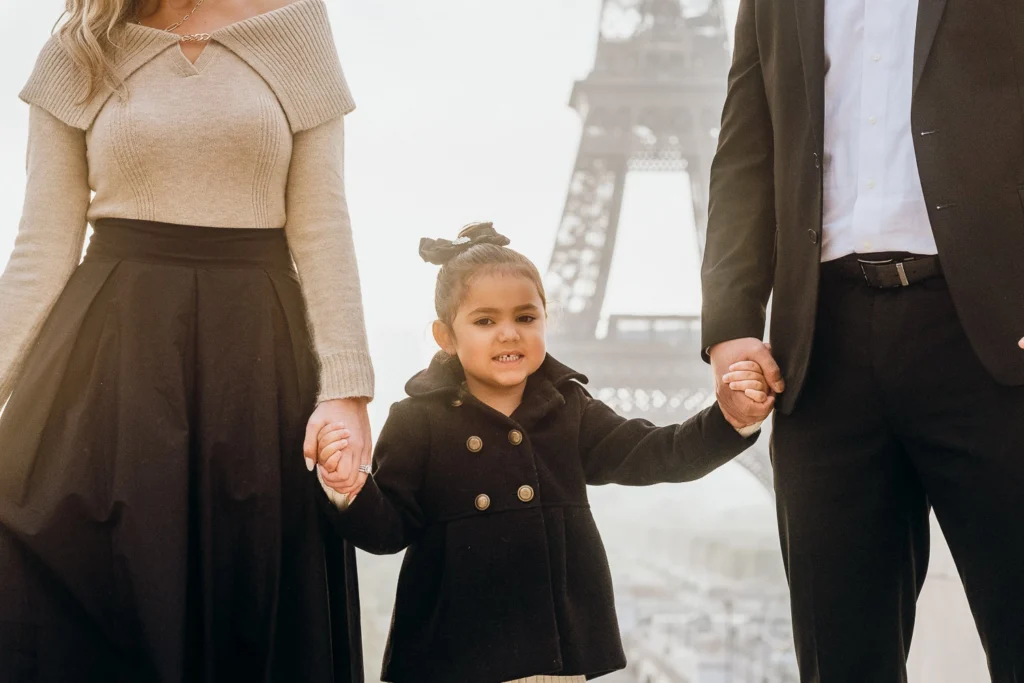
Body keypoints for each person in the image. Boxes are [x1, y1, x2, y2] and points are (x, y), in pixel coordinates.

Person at [0, 0, 374, 680]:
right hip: (110, 371)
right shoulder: (79, 46)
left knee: (252, 612)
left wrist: (347, 390)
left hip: (259, 368)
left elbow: (322, 224)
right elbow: (42, 247)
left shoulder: (297, 26)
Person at [701, 1, 1024, 681]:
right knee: (840, 660)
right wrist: (732, 326)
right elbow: (745, 147)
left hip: (991, 337)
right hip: (821, 349)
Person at [313, 222, 770, 683]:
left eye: (526, 318)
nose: (509, 333)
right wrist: (350, 489)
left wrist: (730, 420)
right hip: (453, 659)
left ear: (547, 321)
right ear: (445, 336)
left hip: (550, 660)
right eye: (485, 320)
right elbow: (391, 529)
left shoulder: (568, 408)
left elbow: (656, 452)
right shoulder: (417, 419)